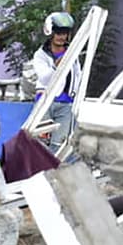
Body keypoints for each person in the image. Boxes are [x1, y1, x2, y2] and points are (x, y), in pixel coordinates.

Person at [20, 12, 80, 153]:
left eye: (64, 33)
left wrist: (76, 98)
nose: (61, 37)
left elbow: (77, 76)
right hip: (45, 102)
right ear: (50, 32)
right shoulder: (41, 55)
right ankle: (37, 172)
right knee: (40, 141)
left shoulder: (72, 53)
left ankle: (52, 173)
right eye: (58, 32)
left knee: (60, 144)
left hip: (66, 104)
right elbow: (45, 78)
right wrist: (56, 66)